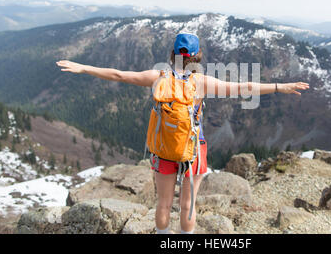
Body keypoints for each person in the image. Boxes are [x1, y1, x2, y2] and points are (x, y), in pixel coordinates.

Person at [56, 32, 309, 234]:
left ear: (172, 54)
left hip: (164, 149)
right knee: (188, 206)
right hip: (193, 150)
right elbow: (245, 87)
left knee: (163, 203)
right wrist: (280, 86)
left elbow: (119, 75)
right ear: (197, 56)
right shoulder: (201, 82)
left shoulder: (158, 76)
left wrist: (84, 67)